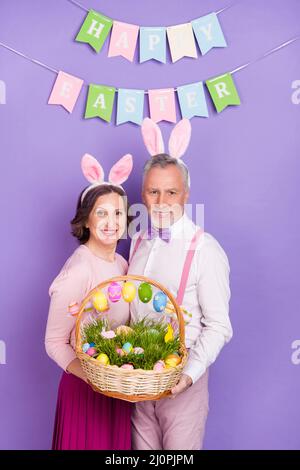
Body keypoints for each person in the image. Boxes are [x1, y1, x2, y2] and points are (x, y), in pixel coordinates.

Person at [128, 118, 233, 450]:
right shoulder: (137, 242)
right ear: (142, 193)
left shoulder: (206, 250)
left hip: (184, 383)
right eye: (153, 191)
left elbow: (219, 326)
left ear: (186, 194)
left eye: (171, 191)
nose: (161, 200)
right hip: (139, 381)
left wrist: (188, 374)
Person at [45, 152, 133, 450]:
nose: (111, 222)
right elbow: (55, 341)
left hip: (116, 392)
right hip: (86, 392)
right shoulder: (80, 268)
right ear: (86, 218)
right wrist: (93, 379)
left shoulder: (122, 264)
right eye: (101, 213)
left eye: (118, 213)